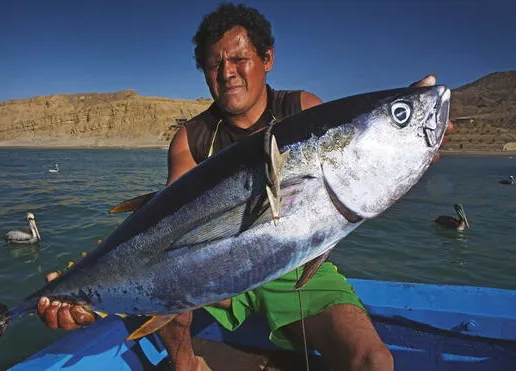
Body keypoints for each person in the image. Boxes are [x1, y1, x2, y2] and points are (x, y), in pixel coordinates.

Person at [37, 3, 454, 370]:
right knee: (170, 305)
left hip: (295, 270)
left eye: (239, 59)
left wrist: (408, 147)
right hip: (207, 272)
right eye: (214, 65)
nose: (227, 73)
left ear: (267, 58)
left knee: (374, 360)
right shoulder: (191, 137)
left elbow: (357, 177)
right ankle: (188, 366)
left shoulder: (302, 109)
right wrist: (84, 292)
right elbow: (167, 230)